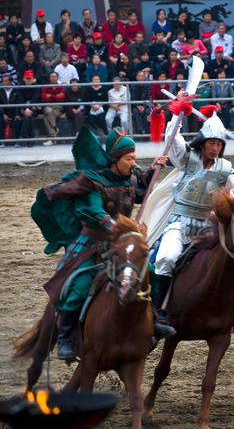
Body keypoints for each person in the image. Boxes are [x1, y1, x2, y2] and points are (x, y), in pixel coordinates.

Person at [34, 127, 170, 361]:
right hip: (92, 244)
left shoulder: (129, 179)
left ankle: (155, 320)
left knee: (150, 271)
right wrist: (115, 226)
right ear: (115, 160)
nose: (132, 162)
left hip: (122, 244)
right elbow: (93, 211)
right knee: (80, 284)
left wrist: (153, 168)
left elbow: (141, 191)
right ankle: (65, 339)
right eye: (129, 158)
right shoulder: (92, 181)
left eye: (134, 158)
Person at [150, 107, 234, 332]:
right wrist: (177, 114)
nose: (215, 148)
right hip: (179, 224)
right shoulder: (187, 160)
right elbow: (173, 138)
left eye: (219, 144)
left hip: (206, 228)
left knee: (231, 260)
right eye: (211, 143)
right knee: (166, 257)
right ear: (202, 143)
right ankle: (159, 312)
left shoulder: (226, 169)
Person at [40, 71, 65, 145]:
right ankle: (54, 128)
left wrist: (50, 96)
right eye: (52, 77)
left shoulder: (61, 87)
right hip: (48, 106)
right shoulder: (45, 87)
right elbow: (44, 98)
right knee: (48, 110)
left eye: (55, 77)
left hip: (58, 107)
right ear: (49, 78)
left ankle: (52, 138)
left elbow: (62, 98)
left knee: (46, 118)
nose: (54, 78)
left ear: (57, 78)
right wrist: (56, 96)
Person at [17, 71, 40, 145]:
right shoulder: (20, 87)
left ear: (33, 79)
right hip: (23, 107)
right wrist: (26, 108)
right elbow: (20, 99)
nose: (28, 80)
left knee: (28, 116)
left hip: (34, 107)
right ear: (24, 78)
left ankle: (24, 134)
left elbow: (35, 98)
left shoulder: (36, 87)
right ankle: (31, 140)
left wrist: (28, 108)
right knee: (28, 117)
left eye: (30, 78)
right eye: (27, 78)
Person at [0, 75, 20, 148]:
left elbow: (18, 102)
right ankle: (2, 141)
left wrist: (17, 114)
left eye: (6, 81)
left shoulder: (16, 90)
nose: (4, 83)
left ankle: (17, 141)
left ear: (11, 82)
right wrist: (3, 114)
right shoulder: (0, 90)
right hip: (3, 111)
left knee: (17, 121)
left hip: (14, 111)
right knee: (0, 122)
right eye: (3, 81)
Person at [129, 70, 152, 135]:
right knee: (135, 112)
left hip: (146, 105)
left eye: (142, 76)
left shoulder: (148, 86)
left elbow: (149, 97)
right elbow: (132, 98)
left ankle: (147, 130)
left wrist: (144, 107)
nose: (141, 78)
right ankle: (141, 131)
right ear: (136, 77)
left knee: (147, 112)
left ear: (145, 77)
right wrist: (137, 106)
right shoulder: (132, 86)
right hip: (136, 106)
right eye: (139, 76)